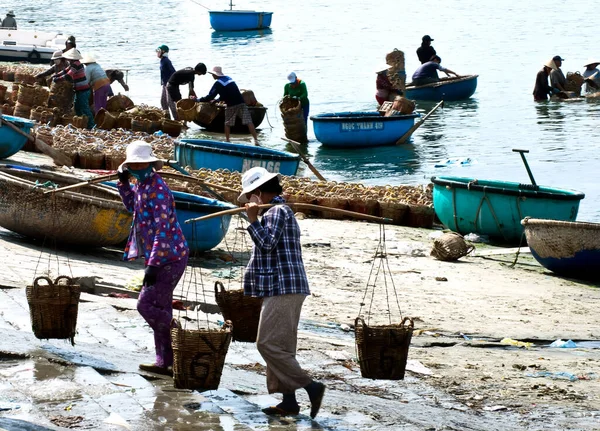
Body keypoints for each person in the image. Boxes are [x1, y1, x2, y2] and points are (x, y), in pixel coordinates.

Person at [238, 166, 325, 419]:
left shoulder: (277, 211)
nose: (251, 200)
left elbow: (266, 244)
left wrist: (252, 220)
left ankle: (311, 387)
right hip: (281, 286)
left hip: (284, 287)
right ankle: (289, 402)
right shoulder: (277, 211)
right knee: (282, 347)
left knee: (266, 344)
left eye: (252, 195)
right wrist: (256, 218)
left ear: (260, 192)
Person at [116, 141, 189, 377]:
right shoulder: (142, 185)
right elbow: (133, 208)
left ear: (149, 164)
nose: (136, 167)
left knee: (145, 305)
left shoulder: (158, 189)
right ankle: (165, 362)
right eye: (132, 165)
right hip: (160, 256)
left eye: (140, 163)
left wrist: (153, 265)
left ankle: (176, 333)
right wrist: (124, 184)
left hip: (171, 257)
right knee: (159, 305)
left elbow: (163, 230)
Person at [196, 66, 259, 144]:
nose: (212, 76)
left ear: (216, 75)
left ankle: (227, 140)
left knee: (227, 123)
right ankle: (256, 140)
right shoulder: (229, 79)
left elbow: (210, 96)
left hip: (231, 105)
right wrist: (217, 100)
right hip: (241, 102)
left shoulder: (218, 83)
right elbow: (228, 93)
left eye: (213, 74)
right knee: (249, 121)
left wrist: (197, 100)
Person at [53, 48, 95, 129]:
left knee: (84, 108)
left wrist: (58, 79)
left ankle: (91, 126)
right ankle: (81, 123)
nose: (67, 59)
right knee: (77, 107)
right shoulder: (73, 64)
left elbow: (69, 75)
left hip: (83, 90)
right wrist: (56, 75)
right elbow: (65, 71)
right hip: (78, 90)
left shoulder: (77, 64)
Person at [156, 44, 176, 119]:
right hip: (165, 84)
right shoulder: (162, 60)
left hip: (169, 84)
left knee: (170, 103)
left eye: (159, 51)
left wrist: (172, 84)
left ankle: (177, 120)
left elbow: (174, 72)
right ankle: (167, 118)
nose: (157, 53)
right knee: (163, 102)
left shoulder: (166, 61)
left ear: (163, 52)